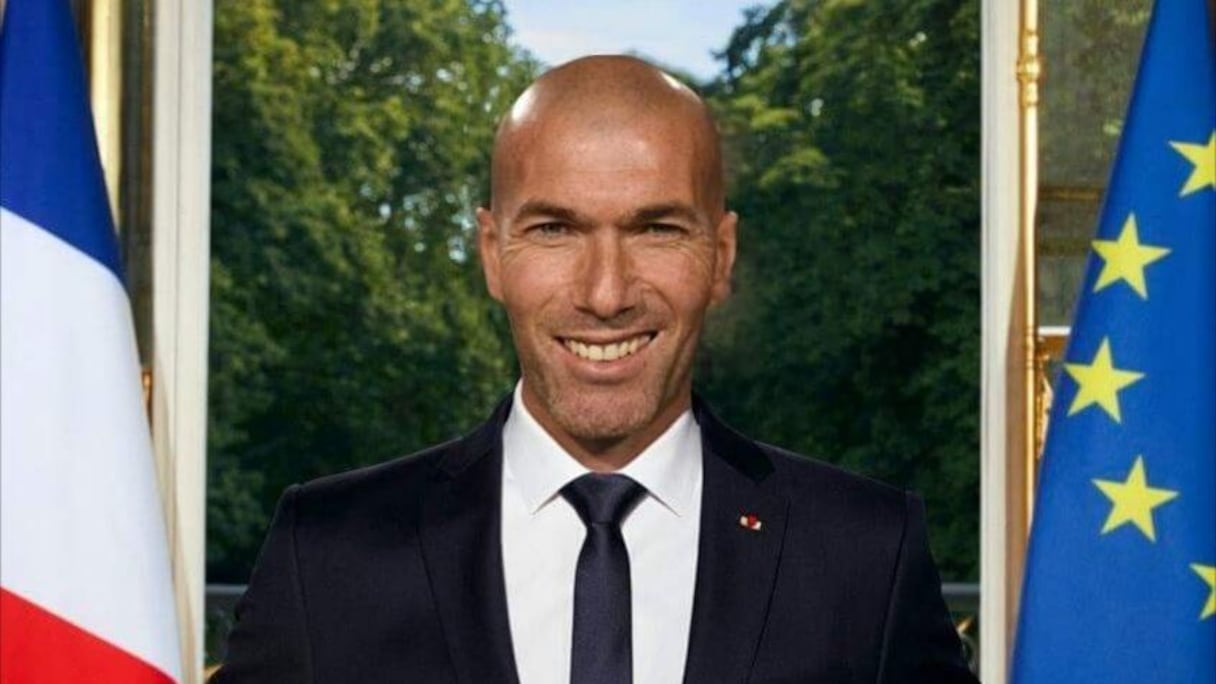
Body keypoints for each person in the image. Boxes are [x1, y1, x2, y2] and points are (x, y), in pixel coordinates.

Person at [214, 56, 978, 684]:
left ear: (722, 257)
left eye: (657, 229)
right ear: (492, 254)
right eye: (555, 229)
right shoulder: (327, 556)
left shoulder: (866, 557)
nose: (605, 294)